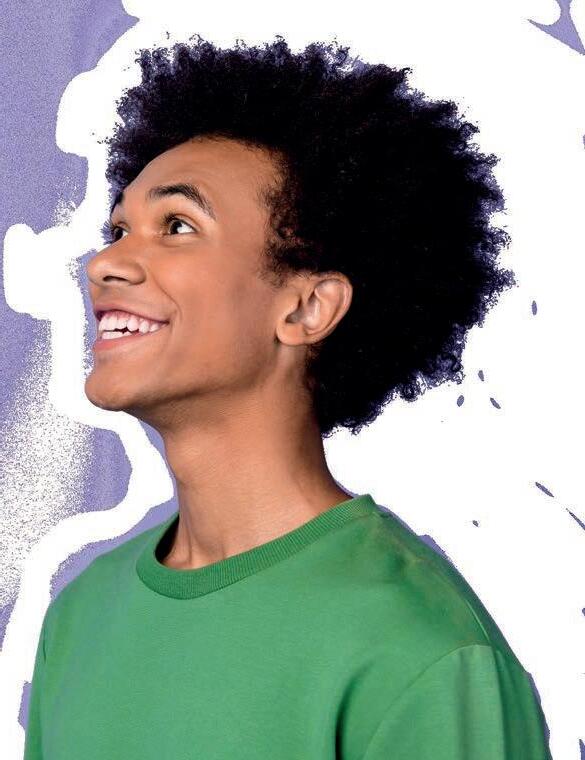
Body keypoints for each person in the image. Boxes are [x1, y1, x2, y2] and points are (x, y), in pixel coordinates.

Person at [24, 36, 552, 759]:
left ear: (306, 309)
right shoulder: (84, 615)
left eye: (177, 226)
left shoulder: (418, 649)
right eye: (117, 230)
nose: (106, 263)